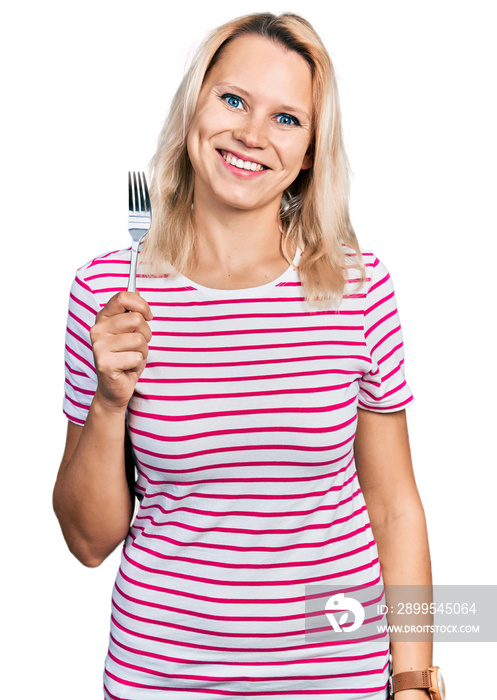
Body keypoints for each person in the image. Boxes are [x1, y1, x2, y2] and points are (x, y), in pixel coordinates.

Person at [54, 12, 436, 700]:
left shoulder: (359, 285)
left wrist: (415, 678)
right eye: (232, 99)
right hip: (160, 677)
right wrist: (109, 401)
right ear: (194, 106)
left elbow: (394, 507)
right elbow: (86, 542)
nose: (251, 135)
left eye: (286, 118)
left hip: (334, 676)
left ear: (312, 151)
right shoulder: (109, 292)